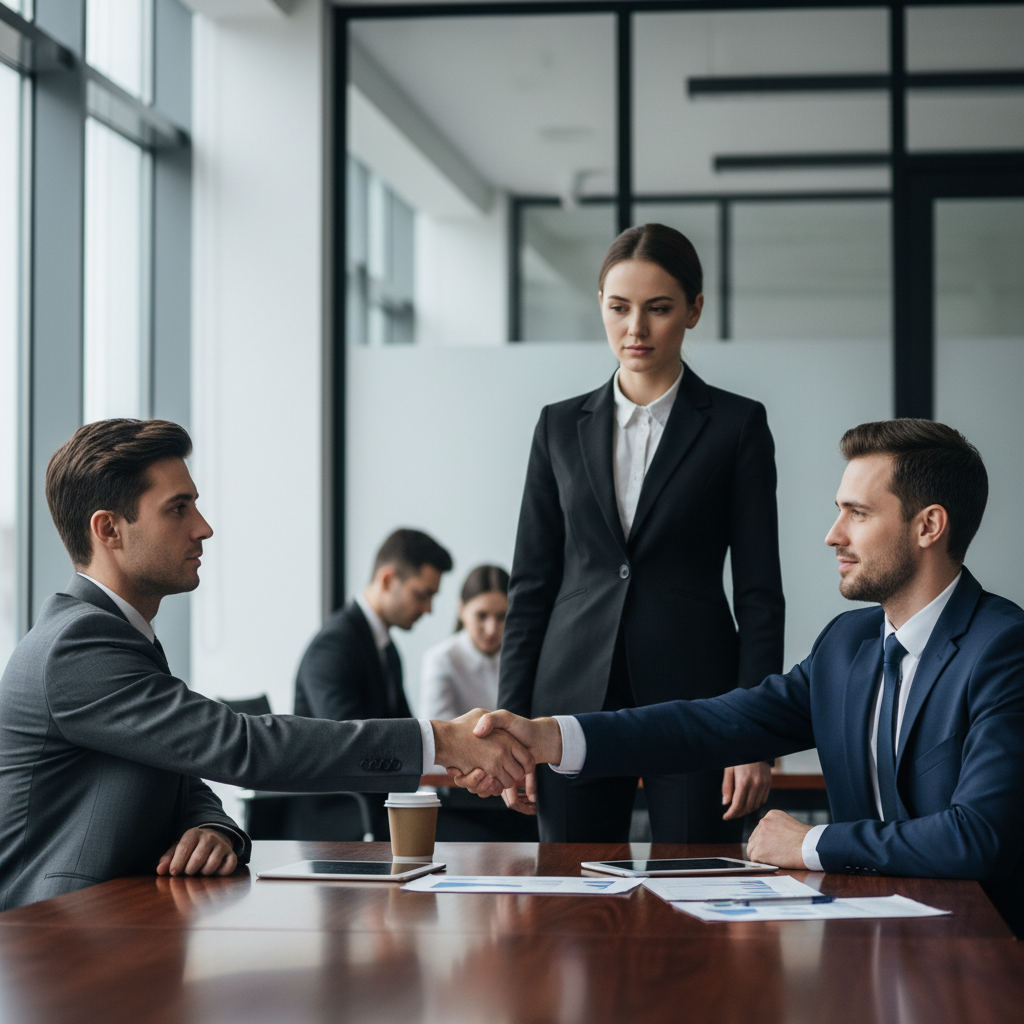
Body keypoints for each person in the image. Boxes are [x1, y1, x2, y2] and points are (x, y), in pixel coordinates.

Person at [463, 420, 1024, 936]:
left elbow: (977, 836)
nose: (833, 534)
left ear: (929, 526)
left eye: (858, 513)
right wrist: (549, 738)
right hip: (865, 941)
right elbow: (709, 724)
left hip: (976, 946)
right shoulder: (845, 646)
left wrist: (810, 843)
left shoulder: (1002, 649)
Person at [0, 419, 531, 910]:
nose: (203, 528)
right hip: (51, 938)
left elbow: (182, 778)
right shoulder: (78, 647)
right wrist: (441, 739)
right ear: (109, 530)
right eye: (178, 508)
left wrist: (217, 829)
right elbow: (242, 745)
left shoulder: (117, 637)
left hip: (119, 924)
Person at [497, 223, 785, 844]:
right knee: (570, 907)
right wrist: (513, 728)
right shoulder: (557, 427)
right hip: (568, 697)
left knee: (696, 894)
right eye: (619, 307)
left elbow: (761, 594)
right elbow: (531, 587)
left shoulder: (737, 426)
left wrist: (755, 734)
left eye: (658, 309)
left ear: (694, 310)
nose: (636, 329)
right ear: (600, 305)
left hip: (699, 704)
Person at [289, 528, 453, 839]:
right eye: (422, 594)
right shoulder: (335, 645)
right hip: (342, 817)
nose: (428, 609)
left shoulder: (386, 649)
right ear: (388, 579)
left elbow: (406, 729)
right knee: (487, 830)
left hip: (379, 808)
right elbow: (349, 744)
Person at [420, 565, 509, 723]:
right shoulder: (440, 659)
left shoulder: (519, 658)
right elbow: (436, 728)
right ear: (462, 610)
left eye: (501, 617)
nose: (491, 629)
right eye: (481, 616)